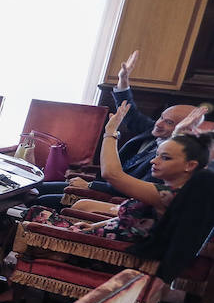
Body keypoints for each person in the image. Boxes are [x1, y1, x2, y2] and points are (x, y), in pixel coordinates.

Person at [22, 102, 211, 243]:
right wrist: (94, 226)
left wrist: (110, 132)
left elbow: (112, 174)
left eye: (165, 158)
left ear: (190, 165)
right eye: (159, 155)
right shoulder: (169, 189)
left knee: (33, 212)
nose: (155, 160)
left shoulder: (169, 195)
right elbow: (126, 220)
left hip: (106, 248)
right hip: (97, 233)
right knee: (33, 205)